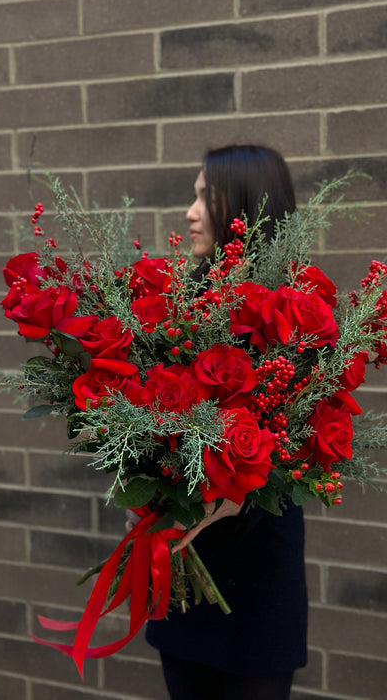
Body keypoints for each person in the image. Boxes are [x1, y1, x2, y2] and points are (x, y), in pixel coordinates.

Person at [128, 145, 307, 700]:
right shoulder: (185, 304)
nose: (189, 210)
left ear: (247, 208)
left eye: (206, 195)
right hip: (181, 571)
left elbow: (300, 447)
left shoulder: (295, 314)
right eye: (194, 195)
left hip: (255, 582)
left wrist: (240, 489)